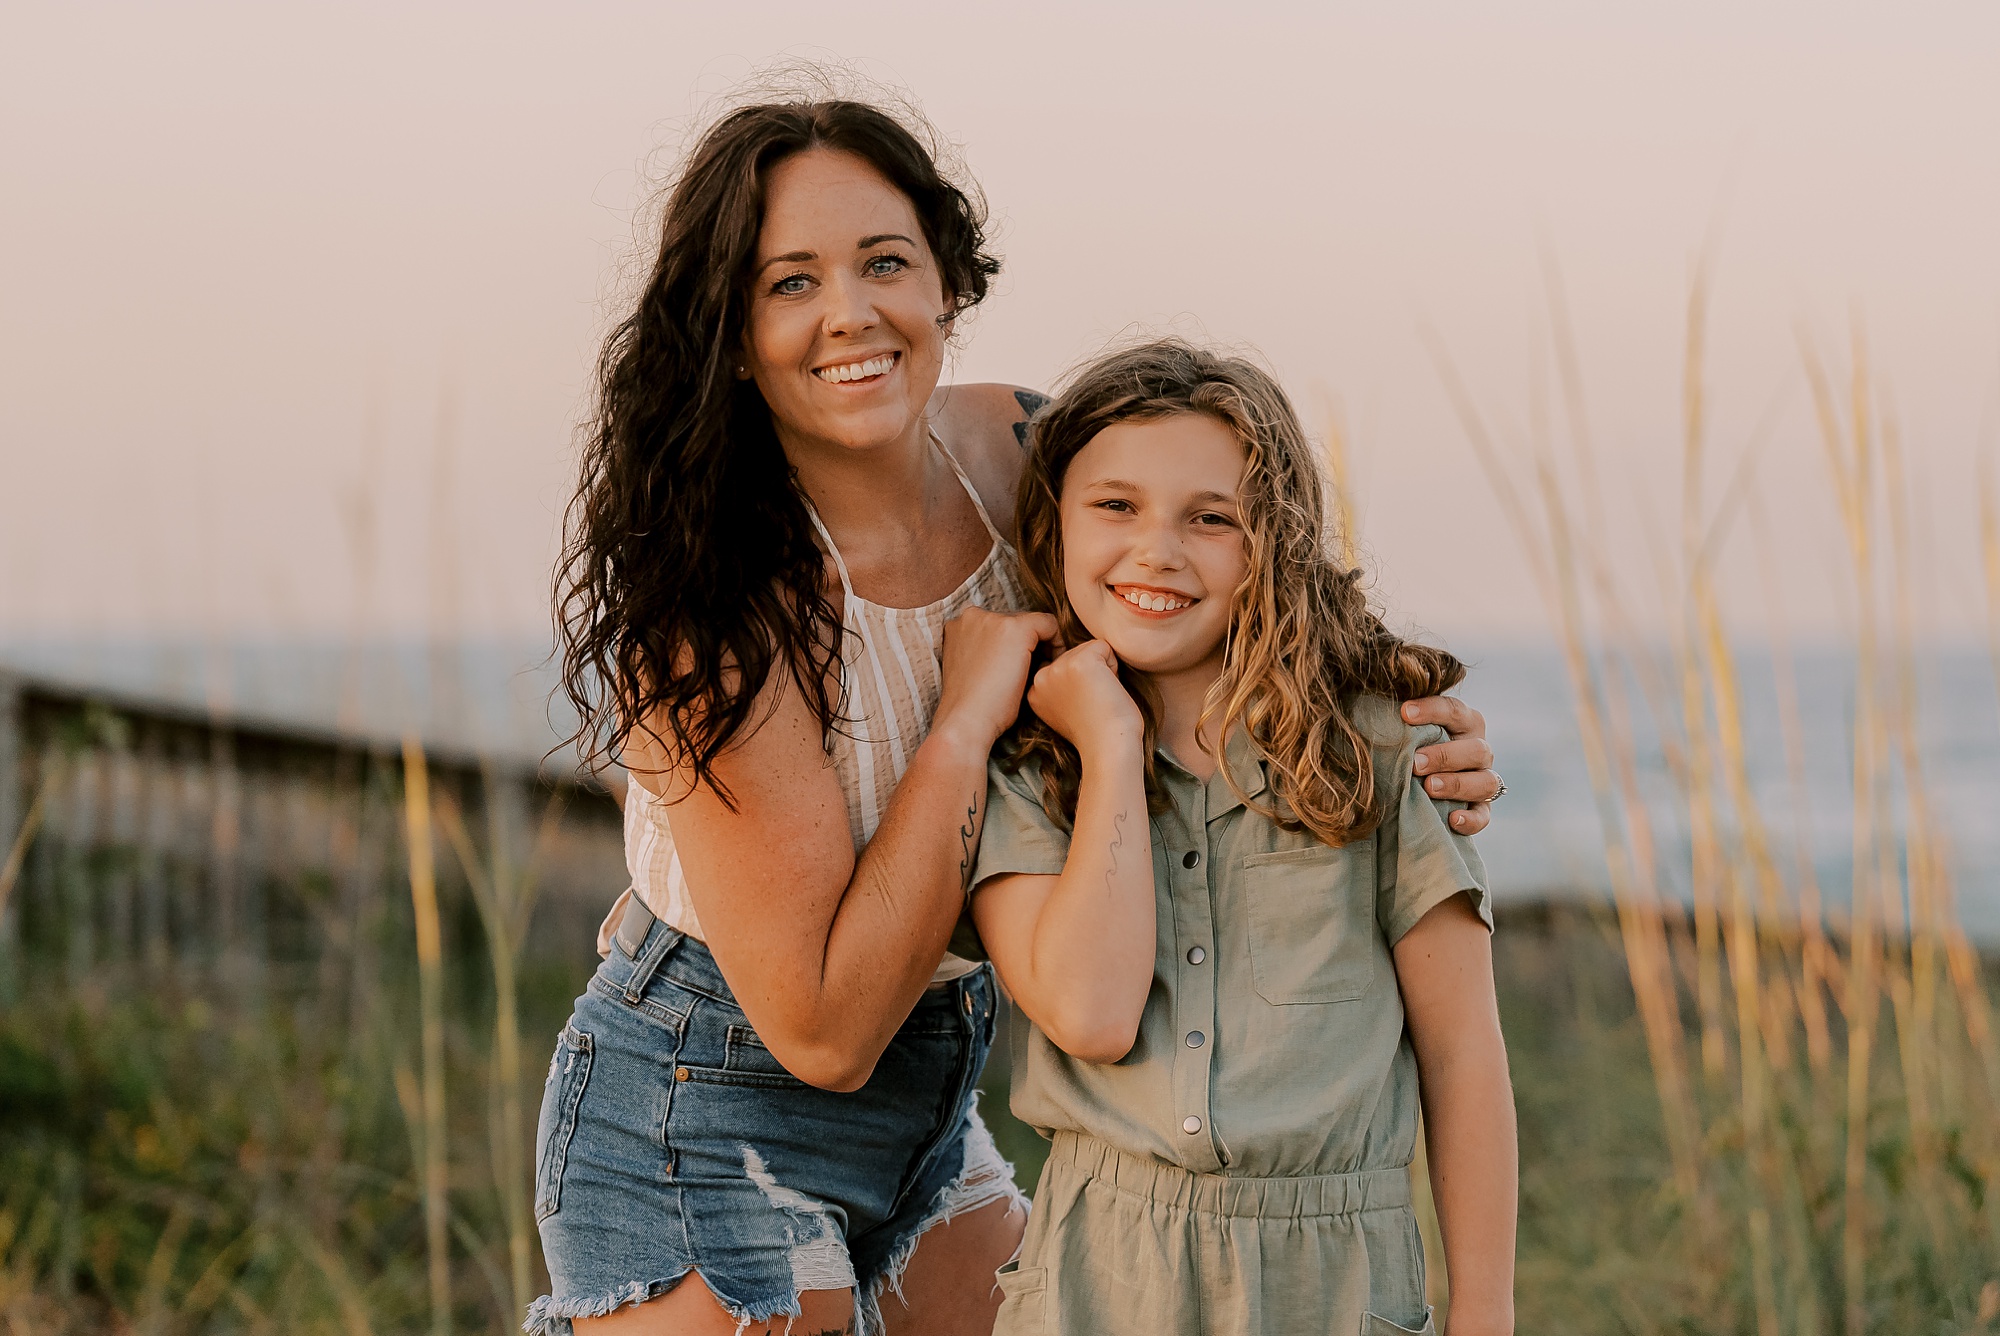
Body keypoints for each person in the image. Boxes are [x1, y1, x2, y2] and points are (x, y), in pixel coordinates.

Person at [532, 89, 1505, 1336]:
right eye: (789, 283)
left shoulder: (1015, 447)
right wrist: (959, 718)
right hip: (706, 1094)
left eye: (886, 261)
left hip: (937, 1082)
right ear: (728, 332)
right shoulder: (714, 609)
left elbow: (1210, 573)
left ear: (945, 281)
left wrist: (1401, 709)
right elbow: (822, 1030)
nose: (850, 312)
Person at [970, 340, 1517, 1336]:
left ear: (1275, 542)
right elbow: (1088, 1014)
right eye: (1115, 506)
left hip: (1334, 1278)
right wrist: (1107, 742)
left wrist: (1484, 1312)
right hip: (1098, 1276)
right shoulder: (1022, 772)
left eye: (1210, 518)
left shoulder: (1381, 751)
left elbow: (1462, 1052)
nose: (1156, 551)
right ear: (1055, 528)